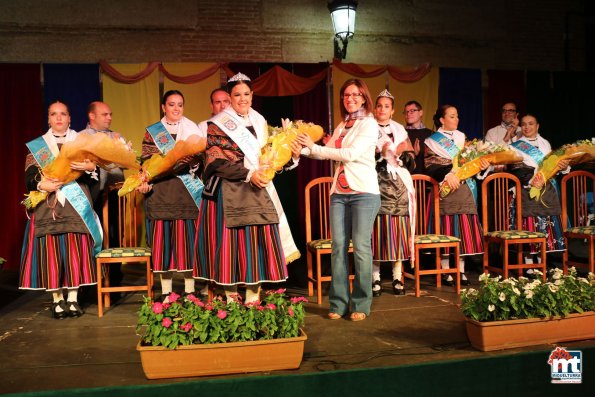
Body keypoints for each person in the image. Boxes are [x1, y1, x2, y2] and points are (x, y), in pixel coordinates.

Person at [193, 73, 300, 303]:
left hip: (258, 191)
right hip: (228, 193)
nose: (242, 99)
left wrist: (292, 157)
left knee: (256, 248)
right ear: (230, 98)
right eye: (237, 95)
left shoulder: (260, 121)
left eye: (246, 94)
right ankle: (231, 301)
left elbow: (271, 156)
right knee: (230, 249)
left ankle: (253, 301)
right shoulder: (217, 124)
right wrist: (249, 174)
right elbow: (217, 162)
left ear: (252, 95)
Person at [297, 78, 380, 321]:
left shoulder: (370, 124)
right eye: (346, 95)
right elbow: (324, 152)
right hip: (340, 194)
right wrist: (299, 147)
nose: (350, 99)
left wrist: (313, 147)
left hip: (364, 193)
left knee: (362, 249)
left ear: (364, 97)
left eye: (355, 95)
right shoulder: (343, 124)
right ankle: (338, 303)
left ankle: (361, 304)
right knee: (338, 248)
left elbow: (349, 154)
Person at [20, 101, 101, 319]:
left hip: (76, 205)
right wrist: (41, 185)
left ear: (69, 118)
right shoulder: (38, 146)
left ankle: (73, 299)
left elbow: (95, 173)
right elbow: (29, 177)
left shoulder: (81, 141)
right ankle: (57, 301)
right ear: (48, 119)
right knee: (52, 252)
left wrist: (91, 167)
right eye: (53, 114)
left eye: (63, 114)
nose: (58, 118)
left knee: (75, 250)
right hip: (48, 205)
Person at [137, 90, 203, 302]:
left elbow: (198, 162)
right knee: (162, 246)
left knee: (187, 246)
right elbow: (147, 163)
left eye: (180, 105)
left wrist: (185, 162)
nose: (176, 109)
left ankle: (190, 290)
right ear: (163, 107)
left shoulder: (192, 130)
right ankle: (166, 292)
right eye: (171, 104)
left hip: (185, 196)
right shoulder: (153, 133)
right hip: (160, 195)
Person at [424, 105, 487, 286]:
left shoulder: (462, 138)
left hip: (463, 188)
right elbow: (431, 165)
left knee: (462, 229)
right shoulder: (432, 141)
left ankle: (460, 269)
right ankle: (445, 270)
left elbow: (469, 163)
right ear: (442, 120)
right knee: (446, 228)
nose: (456, 119)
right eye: (452, 116)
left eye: (457, 116)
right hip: (444, 189)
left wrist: (480, 164)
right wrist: (448, 174)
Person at [508, 114, 569, 267]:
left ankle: (542, 264)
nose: (527, 127)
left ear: (537, 126)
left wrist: (561, 167)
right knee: (530, 225)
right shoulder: (515, 145)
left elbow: (551, 165)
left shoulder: (545, 143)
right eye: (524, 124)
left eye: (531, 124)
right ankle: (528, 265)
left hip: (546, 190)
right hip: (527, 189)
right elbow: (515, 168)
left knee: (546, 227)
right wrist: (532, 180)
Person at [371, 89, 415, 296]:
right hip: (376, 183)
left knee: (398, 232)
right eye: (379, 105)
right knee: (377, 232)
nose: (382, 109)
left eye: (386, 106)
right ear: (374, 108)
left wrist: (401, 154)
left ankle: (398, 277)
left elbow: (411, 161)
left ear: (392, 110)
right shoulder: (368, 127)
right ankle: (375, 278)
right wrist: (380, 154)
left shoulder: (399, 130)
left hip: (399, 186)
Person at [403, 100, 433, 175]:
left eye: (412, 111)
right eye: (406, 112)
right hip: (406, 179)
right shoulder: (400, 133)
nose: (408, 114)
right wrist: (413, 154)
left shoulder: (431, 134)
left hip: (427, 181)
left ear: (420, 113)